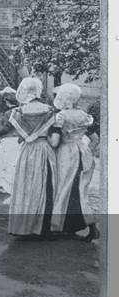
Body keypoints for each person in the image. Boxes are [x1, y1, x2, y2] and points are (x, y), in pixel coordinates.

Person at [7, 76, 57, 238]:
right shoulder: (49, 110)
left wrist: (27, 136)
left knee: (25, 185)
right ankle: (41, 226)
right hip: (44, 148)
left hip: (27, 150)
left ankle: (22, 226)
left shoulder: (19, 112)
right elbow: (52, 133)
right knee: (43, 185)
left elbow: (21, 137)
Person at [50, 83, 99, 241]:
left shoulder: (61, 116)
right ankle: (90, 227)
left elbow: (56, 142)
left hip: (66, 153)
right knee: (81, 190)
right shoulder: (83, 115)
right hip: (82, 151)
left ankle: (58, 226)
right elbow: (95, 139)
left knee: (63, 189)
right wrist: (85, 149)